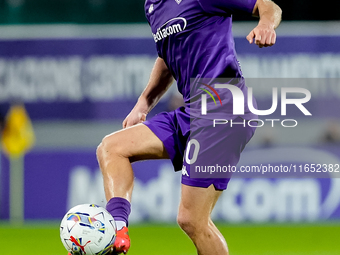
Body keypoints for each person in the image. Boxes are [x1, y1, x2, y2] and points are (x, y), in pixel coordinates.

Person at [96, 0, 282, 254]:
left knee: (192, 219)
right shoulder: (153, 6)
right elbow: (166, 57)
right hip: (192, 110)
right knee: (111, 147)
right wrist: (143, 103)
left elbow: (268, 5)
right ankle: (117, 230)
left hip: (224, 107)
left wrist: (265, 24)